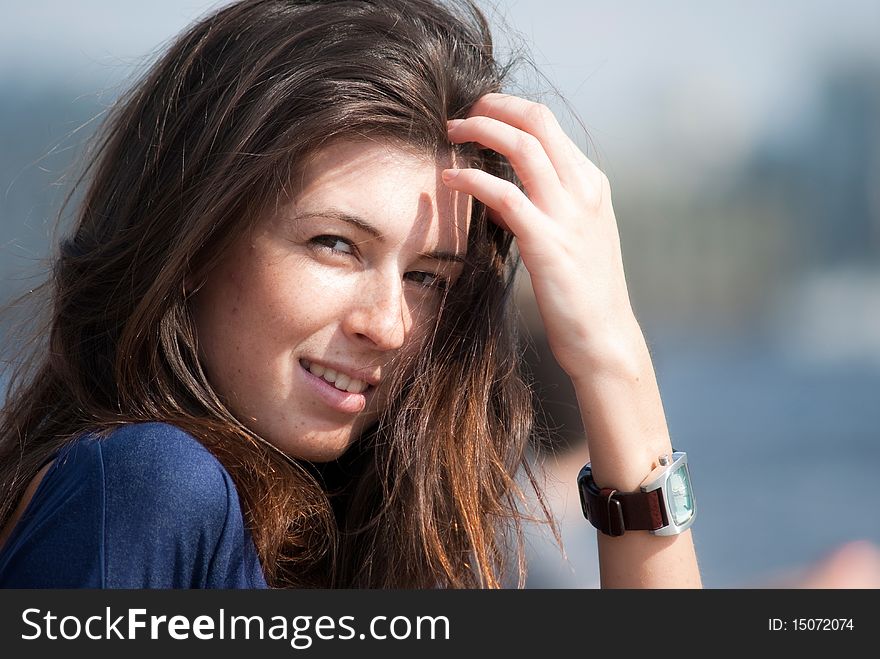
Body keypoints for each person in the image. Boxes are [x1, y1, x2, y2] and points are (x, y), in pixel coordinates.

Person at [0, 0, 701, 589]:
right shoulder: (148, 490)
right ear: (195, 244)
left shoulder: (360, 541)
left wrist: (613, 359)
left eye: (428, 278)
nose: (389, 325)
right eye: (335, 244)